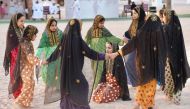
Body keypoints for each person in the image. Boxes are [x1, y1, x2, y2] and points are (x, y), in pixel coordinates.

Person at [46, 19, 108, 109]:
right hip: (75, 73)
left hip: (65, 73)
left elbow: (56, 52)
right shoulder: (78, 40)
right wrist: (105, 56)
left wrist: (47, 60)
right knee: (84, 86)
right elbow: (90, 53)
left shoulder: (64, 38)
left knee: (68, 89)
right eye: (80, 26)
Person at [110, 14, 166, 109]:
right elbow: (131, 45)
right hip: (147, 66)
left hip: (146, 66)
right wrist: (117, 53)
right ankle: (145, 105)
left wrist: (117, 53)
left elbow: (164, 50)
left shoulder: (152, 33)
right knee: (146, 86)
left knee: (144, 86)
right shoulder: (150, 33)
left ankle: (145, 104)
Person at [85, 15, 123, 88]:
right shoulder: (90, 30)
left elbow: (112, 38)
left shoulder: (104, 31)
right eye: (101, 23)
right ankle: (96, 86)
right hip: (92, 54)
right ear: (96, 22)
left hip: (101, 55)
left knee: (99, 71)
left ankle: (97, 87)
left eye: (103, 23)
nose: (102, 25)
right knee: (94, 70)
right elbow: (87, 41)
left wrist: (121, 41)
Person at [12, 25, 45, 108]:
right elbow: (30, 58)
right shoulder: (25, 43)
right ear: (30, 34)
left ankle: (26, 104)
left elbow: (31, 57)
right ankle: (18, 102)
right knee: (28, 85)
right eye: (35, 34)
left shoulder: (28, 42)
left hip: (29, 68)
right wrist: (40, 62)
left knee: (31, 84)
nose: (36, 36)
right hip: (24, 68)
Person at [162, 9, 190, 105]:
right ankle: (177, 98)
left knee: (169, 77)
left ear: (167, 16)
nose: (163, 18)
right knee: (177, 76)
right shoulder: (177, 26)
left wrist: (167, 57)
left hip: (169, 57)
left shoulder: (165, 28)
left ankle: (170, 96)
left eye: (164, 16)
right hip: (178, 56)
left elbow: (166, 44)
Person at [36, 18, 63, 104]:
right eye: (52, 25)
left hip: (59, 55)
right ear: (49, 26)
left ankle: (57, 87)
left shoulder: (60, 33)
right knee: (48, 71)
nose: (54, 27)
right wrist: (37, 56)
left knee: (58, 71)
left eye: (55, 25)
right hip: (49, 56)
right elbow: (41, 47)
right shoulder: (45, 35)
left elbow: (64, 42)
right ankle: (49, 86)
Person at [3, 13, 25, 99]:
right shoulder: (11, 31)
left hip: (23, 57)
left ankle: (21, 93)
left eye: (24, 21)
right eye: (21, 21)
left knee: (23, 76)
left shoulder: (22, 30)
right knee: (15, 76)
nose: (23, 23)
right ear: (15, 21)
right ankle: (16, 94)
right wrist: (18, 58)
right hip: (15, 59)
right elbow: (10, 47)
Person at [123, 6, 146, 87]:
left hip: (141, 48)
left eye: (135, 13)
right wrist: (125, 35)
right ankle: (135, 82)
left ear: (140, 14)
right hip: (133, 47)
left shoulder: (144, 24)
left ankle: (140, 82)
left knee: (137, 64)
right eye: (132, 13)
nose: (133, 15)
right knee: (129, 62)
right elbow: (129, 32)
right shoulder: (134, 22)